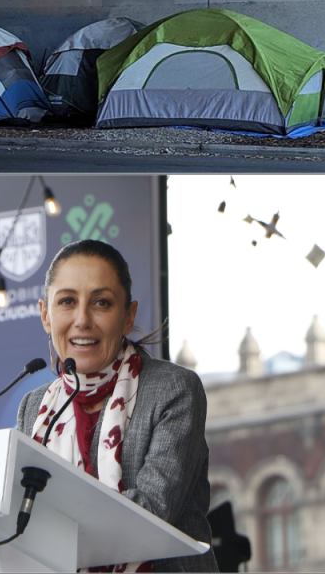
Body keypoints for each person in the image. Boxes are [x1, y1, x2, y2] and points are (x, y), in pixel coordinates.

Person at [16, 239, 218, 573]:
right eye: (67, 301)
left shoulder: (173, 390)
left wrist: (41, 524)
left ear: (128, 316)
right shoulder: (33, 407)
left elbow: (152, 510)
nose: (82, 319)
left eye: (102, 303)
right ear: (45, 315)